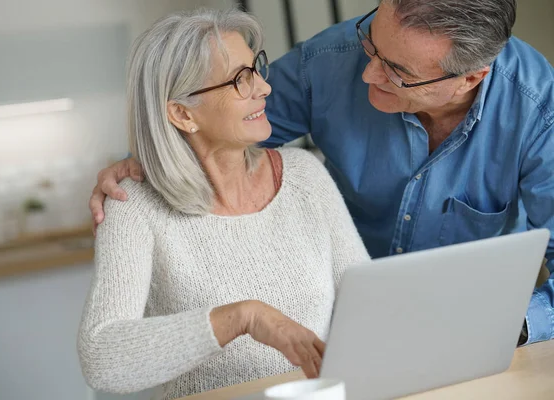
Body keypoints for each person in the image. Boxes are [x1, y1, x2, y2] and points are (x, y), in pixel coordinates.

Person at [90, 0, 554, 347]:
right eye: (371, 40)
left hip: (464, 332)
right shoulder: (330, 61)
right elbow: (216, 121)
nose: (368, 73)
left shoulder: (537, 111)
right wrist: (146, 160)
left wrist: (508, 326)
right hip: (344, 333)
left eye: (396, 71)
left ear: (469, 79)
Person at [77, 8, 370, 400]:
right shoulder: (133, 206)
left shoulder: (305, 175)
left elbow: (369, 304)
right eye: (240, 80)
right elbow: (101, 357)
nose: (264, 88)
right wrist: (241, 317)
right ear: (182, 114)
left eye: (256, 69)